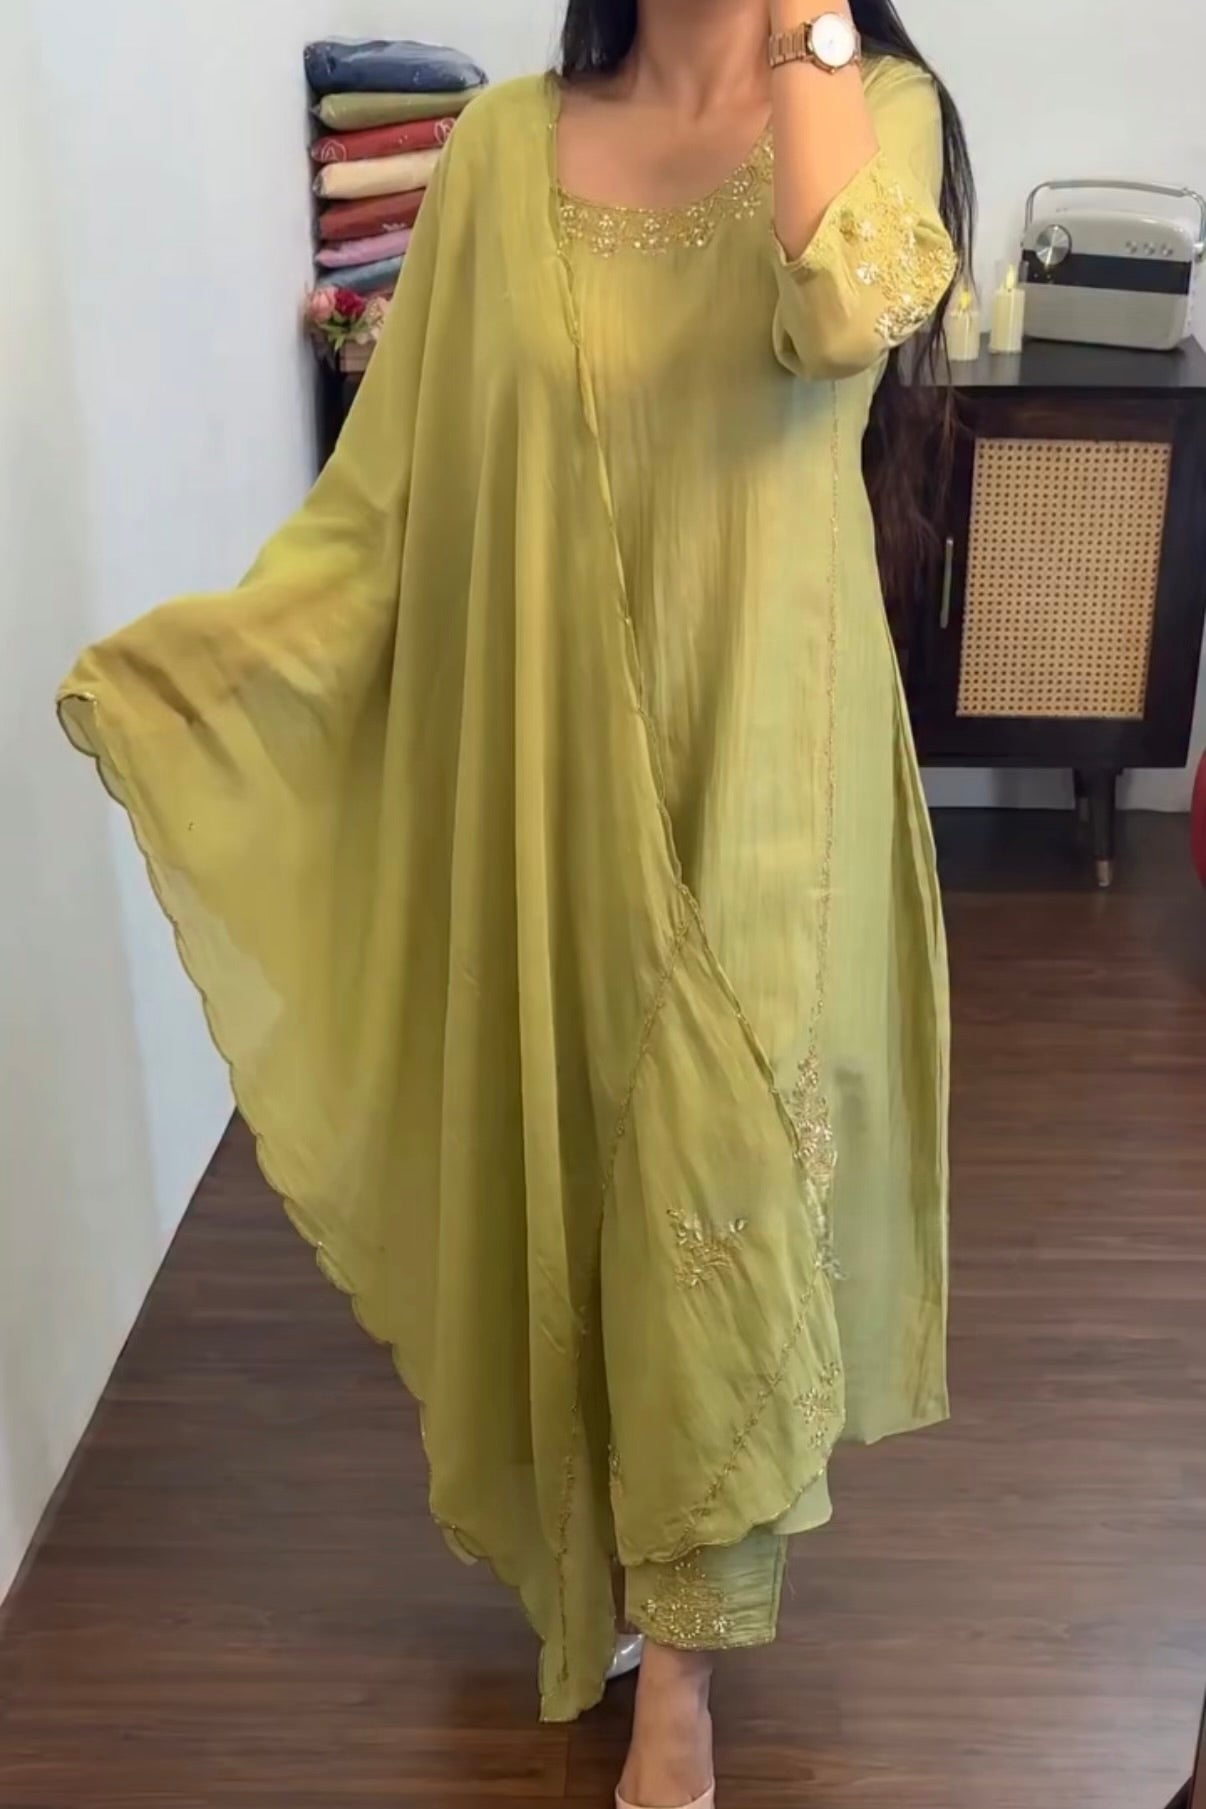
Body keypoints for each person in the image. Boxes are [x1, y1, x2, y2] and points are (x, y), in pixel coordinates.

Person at [58, 2, 974, 1804]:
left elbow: (840, 306)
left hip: (769, 776)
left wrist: (804, 27)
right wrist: (210, 671)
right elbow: (386, 501)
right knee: (581, 1173)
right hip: (554, 773)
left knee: (716, 1189)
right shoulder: (493, 156)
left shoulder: (874, 106)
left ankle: (683, 1677)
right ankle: (622, 1558)